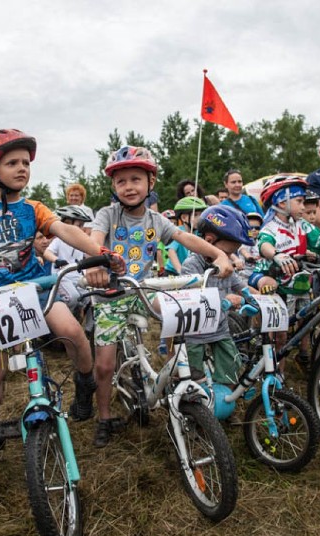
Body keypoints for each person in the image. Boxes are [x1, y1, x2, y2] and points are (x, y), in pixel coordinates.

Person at [0, 129, 119, 464]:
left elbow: (63, 230)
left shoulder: (34, 207)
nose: (23, 168)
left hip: (35, 288)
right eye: (12, 162)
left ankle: (84, 384)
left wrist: (101, 252)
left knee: (74, 332)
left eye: (26, 162)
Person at [85, 145, 232, 447]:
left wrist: (219, 253)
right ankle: (103, 416)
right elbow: (94, 239)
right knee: (104, 365)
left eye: (136, 179)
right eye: (121, 181)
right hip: (110, 295)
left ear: (150, 182)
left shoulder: (156, 220)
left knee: (181, 312)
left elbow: (186, 238)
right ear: (113, 186)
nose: (128, 186)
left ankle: (180, 369)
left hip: (142, 289)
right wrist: (98, 261)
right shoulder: (107, 215)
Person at [181, 206, 254, 386]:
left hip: (219, 328)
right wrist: (224, 300)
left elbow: (241, 287)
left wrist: (260, 297)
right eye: (227, 252)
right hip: (195, 332)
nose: (229, 257)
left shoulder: (227, 265)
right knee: (193, 377)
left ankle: (223, 398)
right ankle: (192, 407)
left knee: (231, 368)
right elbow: (193, 298)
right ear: (209, 240)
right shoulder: (192, 265)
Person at [43, 205, 92, 312]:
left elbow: (88, 254)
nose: (82, 229)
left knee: (90, 298)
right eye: (79, 225)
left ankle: (87, 327)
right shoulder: (59, 240)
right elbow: (47, 252)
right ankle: (62, 320)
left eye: (82, 225)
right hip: (62, 277)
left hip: (77, 277)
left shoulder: (81, 241)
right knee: (73, 298)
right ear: (68, 224)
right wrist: (56, 260)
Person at [164, 196, 206, 276]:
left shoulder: (200, 233)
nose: (199, 218)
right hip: (174, 273)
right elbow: (171, 252)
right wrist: (180, 271)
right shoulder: (177, 232)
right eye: (196, 215)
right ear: (184, 218)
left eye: (201, 215)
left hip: (192, 273)